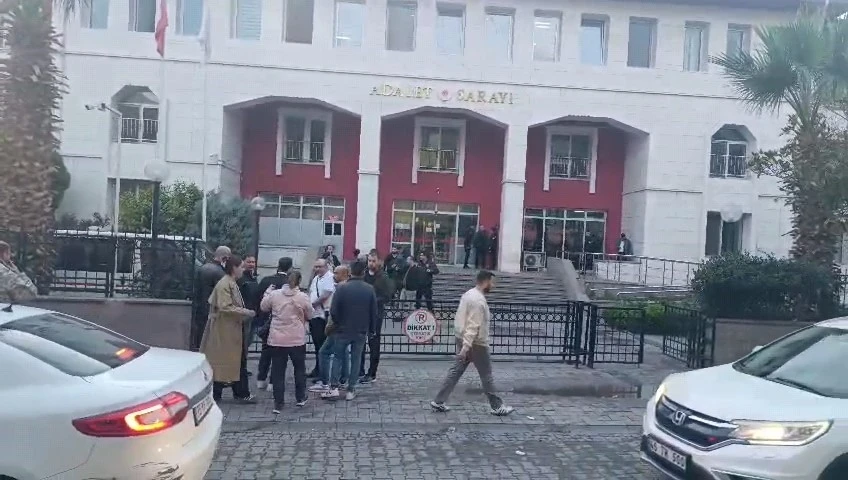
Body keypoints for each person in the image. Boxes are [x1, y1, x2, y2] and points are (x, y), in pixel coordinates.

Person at [430, 270, 514, 416]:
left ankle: (439, 401)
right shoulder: (478, 301)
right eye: (492, 282)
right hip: (476, 343)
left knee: (456, 371)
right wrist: (466, 347)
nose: (493, 286)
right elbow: (473, 325)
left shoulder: (468, 294)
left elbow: (460, 319)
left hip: (463, 338)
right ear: (486, 281)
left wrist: (463, 344)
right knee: (486, 375)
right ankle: (497, 406)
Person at [200, 255, 256, 403]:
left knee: (233, 361)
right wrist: (246, 312)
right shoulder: (225, 284)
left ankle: (235, 392)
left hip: (229, 329)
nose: (243, 270)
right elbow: (225, 306)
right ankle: (235, 393)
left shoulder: (230, 282)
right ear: (234, 268)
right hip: (224, 329)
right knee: (225, 361)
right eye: (241, 267)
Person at [321, 260, 377, 401]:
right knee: (356, 359)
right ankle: (351, 390)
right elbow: (373, 312)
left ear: (351, 271)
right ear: (363, 272)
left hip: (342, 329)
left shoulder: (342, 288)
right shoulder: (369, 289)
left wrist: (338, 323)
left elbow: (334, 310)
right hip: (361, 330)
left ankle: (334, 387)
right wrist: (372, 329)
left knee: (337, 357)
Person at [260, 270, 313, 413]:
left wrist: (267, 293)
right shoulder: (302, 297)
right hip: (296, 338)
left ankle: (278, 403)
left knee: (278, 371)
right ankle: (300, 397)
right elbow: (310, 314)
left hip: (277, 338)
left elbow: (263, 307)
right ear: (299, 281)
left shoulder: (275, 294)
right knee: (299, 369)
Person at [311, 264, 351, 392]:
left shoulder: (341, 288)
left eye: (337, 273)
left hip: (337, 324)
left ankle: (326, 382)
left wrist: (330, 326)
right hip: (344, 324)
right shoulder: (345, 286)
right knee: (344, 352)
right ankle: (343, 379)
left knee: (324, 352)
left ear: (344, 274)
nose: (334, 275)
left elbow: (335, 309)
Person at [255, 257, 293, 391]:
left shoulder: (266, 280)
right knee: (279, 354)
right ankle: (273, 382)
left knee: (265, 350)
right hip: (282, 322)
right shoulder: (289, 283)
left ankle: (261, 379)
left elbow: (258, 298)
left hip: (266, 320)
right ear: (290, 268)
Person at [360, 252, 393, 384]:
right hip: (362, 314)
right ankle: (359, 370)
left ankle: (372, 373)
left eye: (373, 261)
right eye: (369, 261)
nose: (371, 263)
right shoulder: (363, 275)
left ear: (379, 261)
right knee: (360, 343)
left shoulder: (383, 277)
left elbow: (387, 296)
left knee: (373, 343)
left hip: (376, 315)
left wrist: (372, 300)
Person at [191, 246, 230, 351]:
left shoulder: (203, 268)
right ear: (224, 258)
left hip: (199, 306)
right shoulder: (220, 273)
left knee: (199, 334)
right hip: (212, 308)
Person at [307, 258, 335, 378]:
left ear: (326, 267)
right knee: (317, 344)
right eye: (316, 267)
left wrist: (313, 304)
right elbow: (311, 292)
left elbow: (326, 294)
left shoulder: (330, 277)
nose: (317, 269)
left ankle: (323, 372)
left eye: (320, 267)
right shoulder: (316, 278)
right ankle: (318, 368)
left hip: (323, 315)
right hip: (315, 315)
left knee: (322, 345)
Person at [238, 254, 260, 360]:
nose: (251, 264)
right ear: (243, 262)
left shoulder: (253, 278)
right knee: (243, 342)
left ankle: (243, 363)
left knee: (248, 341)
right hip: (244, 313)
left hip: (253, 313)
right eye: (249, 262)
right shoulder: (241, 278)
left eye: (253, 262)